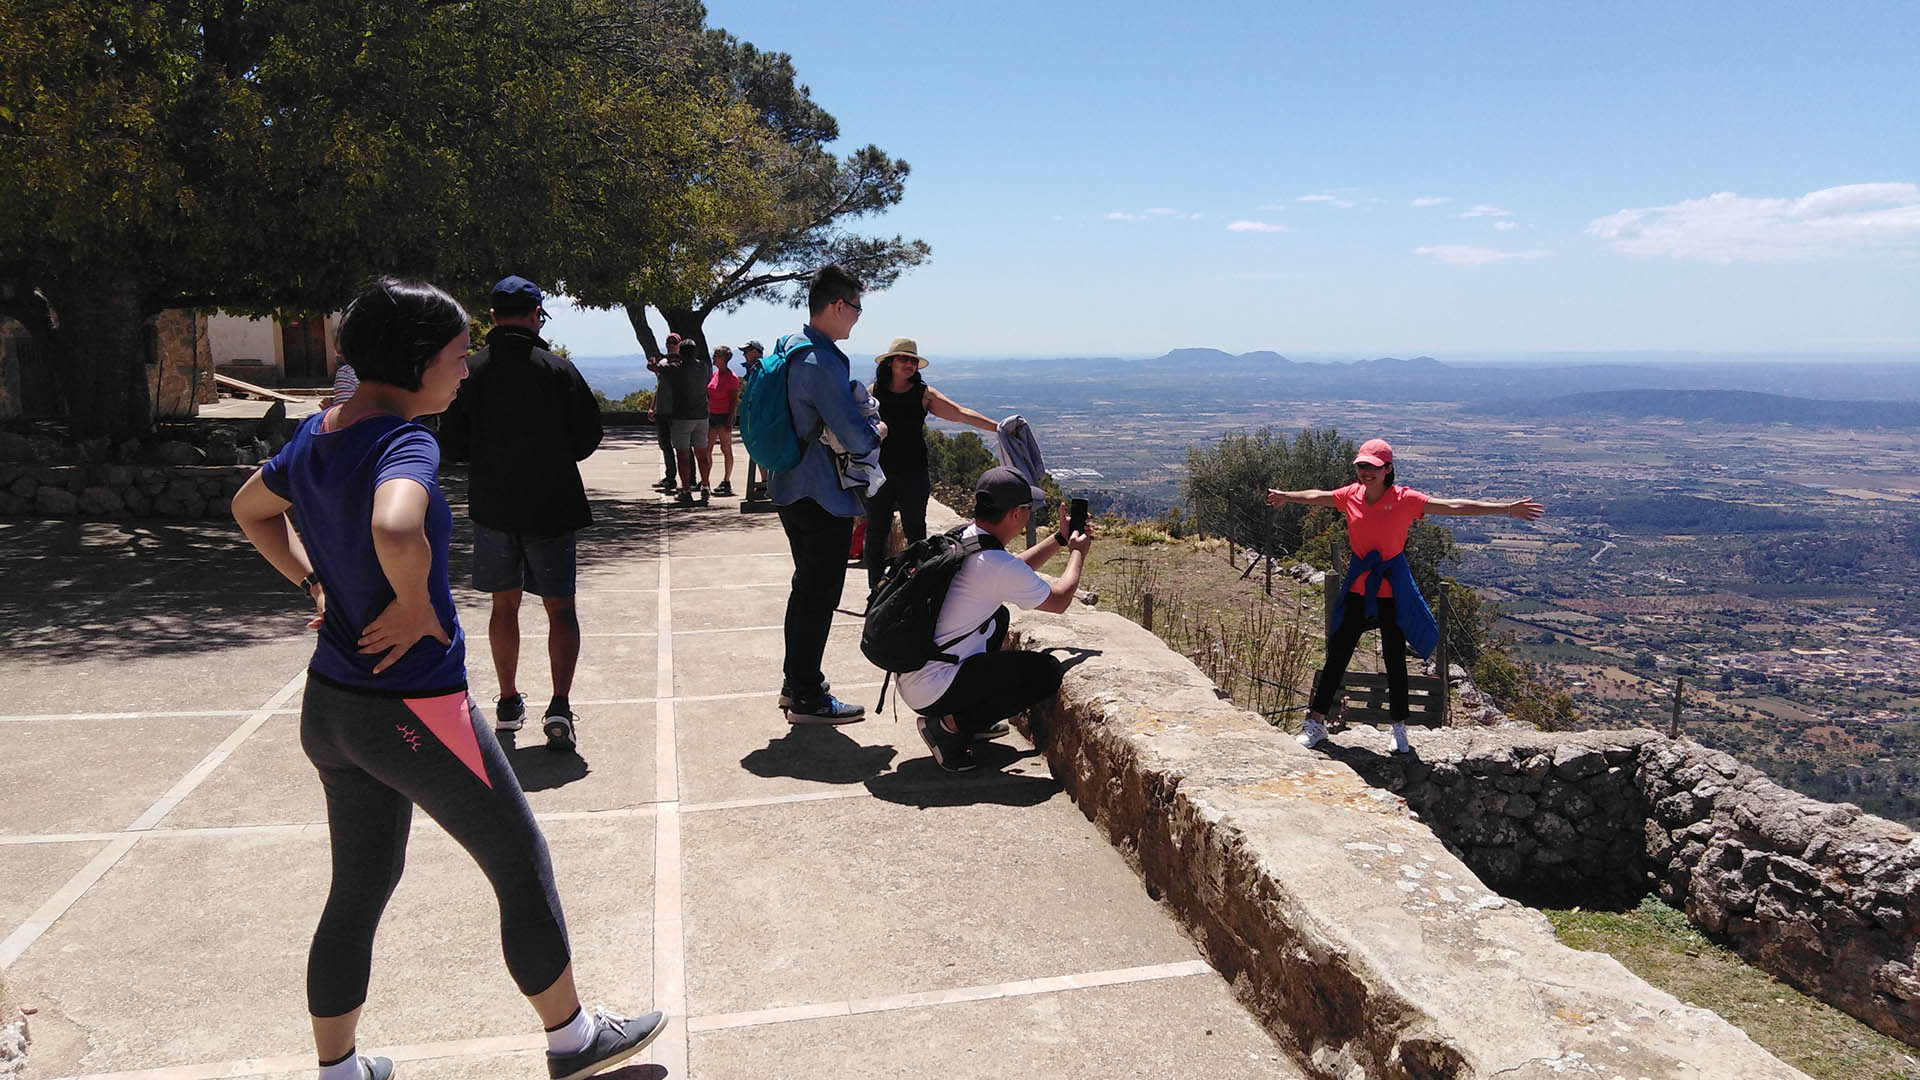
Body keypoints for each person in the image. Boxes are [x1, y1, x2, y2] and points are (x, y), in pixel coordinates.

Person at [230, 278, 662, 1080]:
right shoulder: (403, 440)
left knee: (356, 890)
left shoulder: (318, 433)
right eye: (459, 359)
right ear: (420, 363)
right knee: (520, 863)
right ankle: (573, 1041)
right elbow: (395, 522)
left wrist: (313, 585)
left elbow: (250, 509)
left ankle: (339, 1071)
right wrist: (414, 603)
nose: (465, 373)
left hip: (330, 708)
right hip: (414, 708)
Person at [1266, 438, 1543, 755]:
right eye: (1361, 466)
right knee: (1338, 654)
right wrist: (1287, 497)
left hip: (1392, 587)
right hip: (1360, 585)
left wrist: (1507, 509)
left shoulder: (1404, 499)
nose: (1366, 472)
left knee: (1395, 657)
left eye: (1373, 466)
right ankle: (1316, 723)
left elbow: (1453, 506)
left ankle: (1398, 728)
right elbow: (1320, 497)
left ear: (1388, 469)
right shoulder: (1350, 495)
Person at [437, 276, 603, 752]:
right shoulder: (558, 369)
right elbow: (588, 437)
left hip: (494, 506)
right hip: (552, 505)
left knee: (503, 606)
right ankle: (560, 706)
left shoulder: (471, 372)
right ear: (536, 314)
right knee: (560, 609)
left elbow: (451, 442)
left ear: (491, 317)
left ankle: (508, 701)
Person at [895, 466, 1092, 773]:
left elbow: (1012, 570)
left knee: (998, 616)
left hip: (916, 674)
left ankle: (966, 719)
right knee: (1045, 673)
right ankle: (948, 727)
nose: (1030, 515)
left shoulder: (963, 537)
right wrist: (1078, 553)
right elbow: (1060, 600)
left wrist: (1059, 539)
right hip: (935, 686)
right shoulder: (994, 564)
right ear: (1015, 514)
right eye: (1028, 509)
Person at [769, 264, 884, 724]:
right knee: (819, 595)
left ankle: (794, 682)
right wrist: (878, 429)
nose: (857, 318)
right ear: (837, 306)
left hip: (789, 487)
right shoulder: (822, 360)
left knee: (805, 590)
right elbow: (856, 437)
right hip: (822, 495)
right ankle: (808, 698)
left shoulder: (789, 348)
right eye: (855, 308)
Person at [864, 337, 1000, 591]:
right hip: (878, 473)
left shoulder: (923, 394)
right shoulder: (873, 393)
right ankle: (876, 590)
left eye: (913, 360)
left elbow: (959, 413)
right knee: (876, 532)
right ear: (890, 362)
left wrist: (997, 427)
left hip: (913, 472)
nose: (909, 364)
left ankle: (915, 588)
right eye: (903, 358)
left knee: (916, 532)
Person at [654, 337, 712, 505]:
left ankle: (686, 489)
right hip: (702, 416)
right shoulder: (703, 368)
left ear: (680, 352)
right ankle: (705, 485)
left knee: (683, 456)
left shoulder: (676, 368)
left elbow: (661, 367)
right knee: (702, 454)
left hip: (682, 417)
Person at [706, 345, 741, 496]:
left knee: (726, 449)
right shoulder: (715, 374)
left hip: (724, 415)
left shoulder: (732, 378)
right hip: (711, 415)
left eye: (716, 355)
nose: (713, 357)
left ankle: (726, 480)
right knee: (706, 449)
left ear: (723, 358)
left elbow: (734, 401)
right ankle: (705, 479)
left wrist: (729, 422)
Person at [738, 340, 771, 501]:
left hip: (761, 417)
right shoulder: (754, 369)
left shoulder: (760, 369)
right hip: (757, 416)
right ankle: (765, 482)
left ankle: (767, 483)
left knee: (761, 450)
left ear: (756, 351)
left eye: (747, 351)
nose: (745, 355)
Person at [647, 338, 678, 492]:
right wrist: (653, 407)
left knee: (683, 446)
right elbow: (660, 387)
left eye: (674, 343)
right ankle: (670, 477)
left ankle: (690, 479)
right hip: (662, 410)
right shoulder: (663, 363)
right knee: (665, 445)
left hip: (676, 412)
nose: (670, 346)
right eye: (668, 343)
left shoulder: (681, 364)